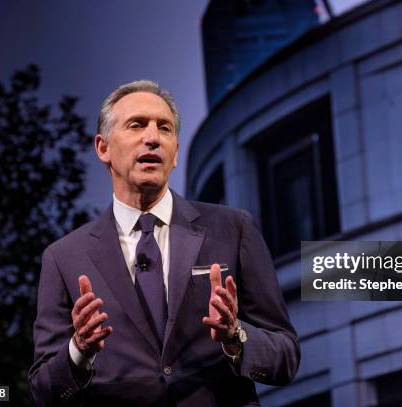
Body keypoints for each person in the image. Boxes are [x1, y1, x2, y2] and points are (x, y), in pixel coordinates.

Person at [28, 80, 300, 406]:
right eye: (137, 125)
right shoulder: (64, 258)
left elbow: (286, 358)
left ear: (174, 155)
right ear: (103, 148)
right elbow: (43, 391)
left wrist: (235, 337)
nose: (153, 138)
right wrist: (79, 350)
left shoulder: (233, 228)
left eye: (165, 128)